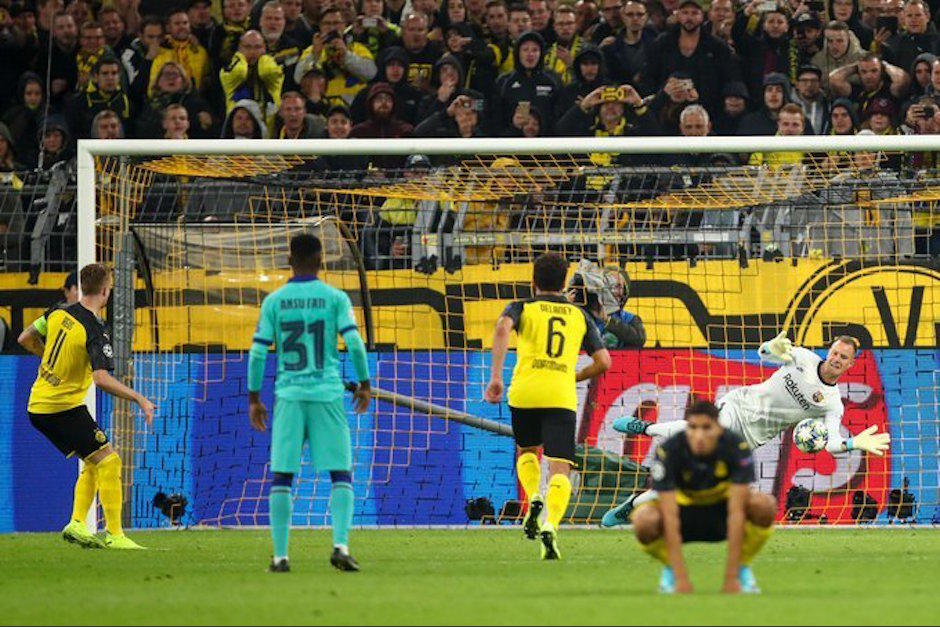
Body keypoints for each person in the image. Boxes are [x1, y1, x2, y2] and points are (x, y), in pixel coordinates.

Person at [603, 334, 890, 526]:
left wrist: (854, 445)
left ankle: (634, 502)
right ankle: (647, 427)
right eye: (835, 352)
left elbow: (831, 444)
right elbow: (764, 353)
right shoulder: (803, 358)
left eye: (843, 357)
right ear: (829, 351)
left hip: (751, 437)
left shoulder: (831, 404)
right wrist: (771, 346)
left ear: (850, 364)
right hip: (740, 405)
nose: (836, 359)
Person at [248, 233, 371, 573]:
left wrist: (254, 398)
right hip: (327, 393)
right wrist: (365, 383)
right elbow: (356, 345)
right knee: (340, 473)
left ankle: (280, 556)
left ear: (290, 260)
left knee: (283, 475)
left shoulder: (274, 301)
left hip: (288, 395)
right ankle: (341, 546)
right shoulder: (334, 298)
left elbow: (258, 351)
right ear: (321, 261)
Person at [485, 252, 611, 560]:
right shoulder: (579, 316)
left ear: (533, 281)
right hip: (560, 394)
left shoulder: (523, 307)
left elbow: (502, 327)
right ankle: (551, 525)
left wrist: (496, 378)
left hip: (525, 392)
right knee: (560, 468)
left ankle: (534, 497)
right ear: (564, 281)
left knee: (526, 452)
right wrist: (575, 375)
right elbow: (604, 361)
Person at [24, 263, 155, 549]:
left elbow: (25, 337)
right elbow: (101, 378)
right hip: (62, 408)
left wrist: (48, 360)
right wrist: (139, 398)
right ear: (106, 292)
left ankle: (78, 524)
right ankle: (115, 535)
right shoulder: (94, 329)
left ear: (82, 287)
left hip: (39, 405)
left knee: (95, 460)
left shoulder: (58, 312)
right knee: (110, 460)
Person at [631, 401, 776, 594]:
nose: (699, 435)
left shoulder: (736, 447)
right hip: (683, 516)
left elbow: (736, 510)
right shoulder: (669, 451)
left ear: (718, 428)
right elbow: (669, 512)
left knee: (764, 505)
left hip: (722, 515)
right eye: (692, 427)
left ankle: (742, 567)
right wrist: (681, 574)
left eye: (706, 428)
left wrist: (731, 576)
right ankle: (671, 571)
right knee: (644, 519)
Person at [220, 30, 284, 131]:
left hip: (269, 133)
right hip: (239, 132)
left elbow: (267, 72)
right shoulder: (228, 70)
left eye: (258, 47)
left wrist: (264, 58)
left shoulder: (272, 67)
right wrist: (239, 57)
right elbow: (239, 72)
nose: (253, 52)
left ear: (265, 49)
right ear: (239, 49)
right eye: (247, 47)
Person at [149, 10, 211, 97]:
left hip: (195, 103)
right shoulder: (159, 52)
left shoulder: (200, 52)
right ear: (168, 27)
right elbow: (152, 86)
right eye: (177, 24)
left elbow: (207, 80)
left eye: (185, 23)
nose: (182, 27)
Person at [17, 270, 80, 356]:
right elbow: (25, 338)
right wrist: (48, 358)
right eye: (78, 289)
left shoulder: (94, 319)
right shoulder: (54, 315)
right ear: (66, 291)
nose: (82, 295)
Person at [792, 64, 827, 134]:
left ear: (820, 84)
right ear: (797, 84)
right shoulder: (788, 105)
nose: (809, 84)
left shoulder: (828, 105)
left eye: (813, 81)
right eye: (804, 81)